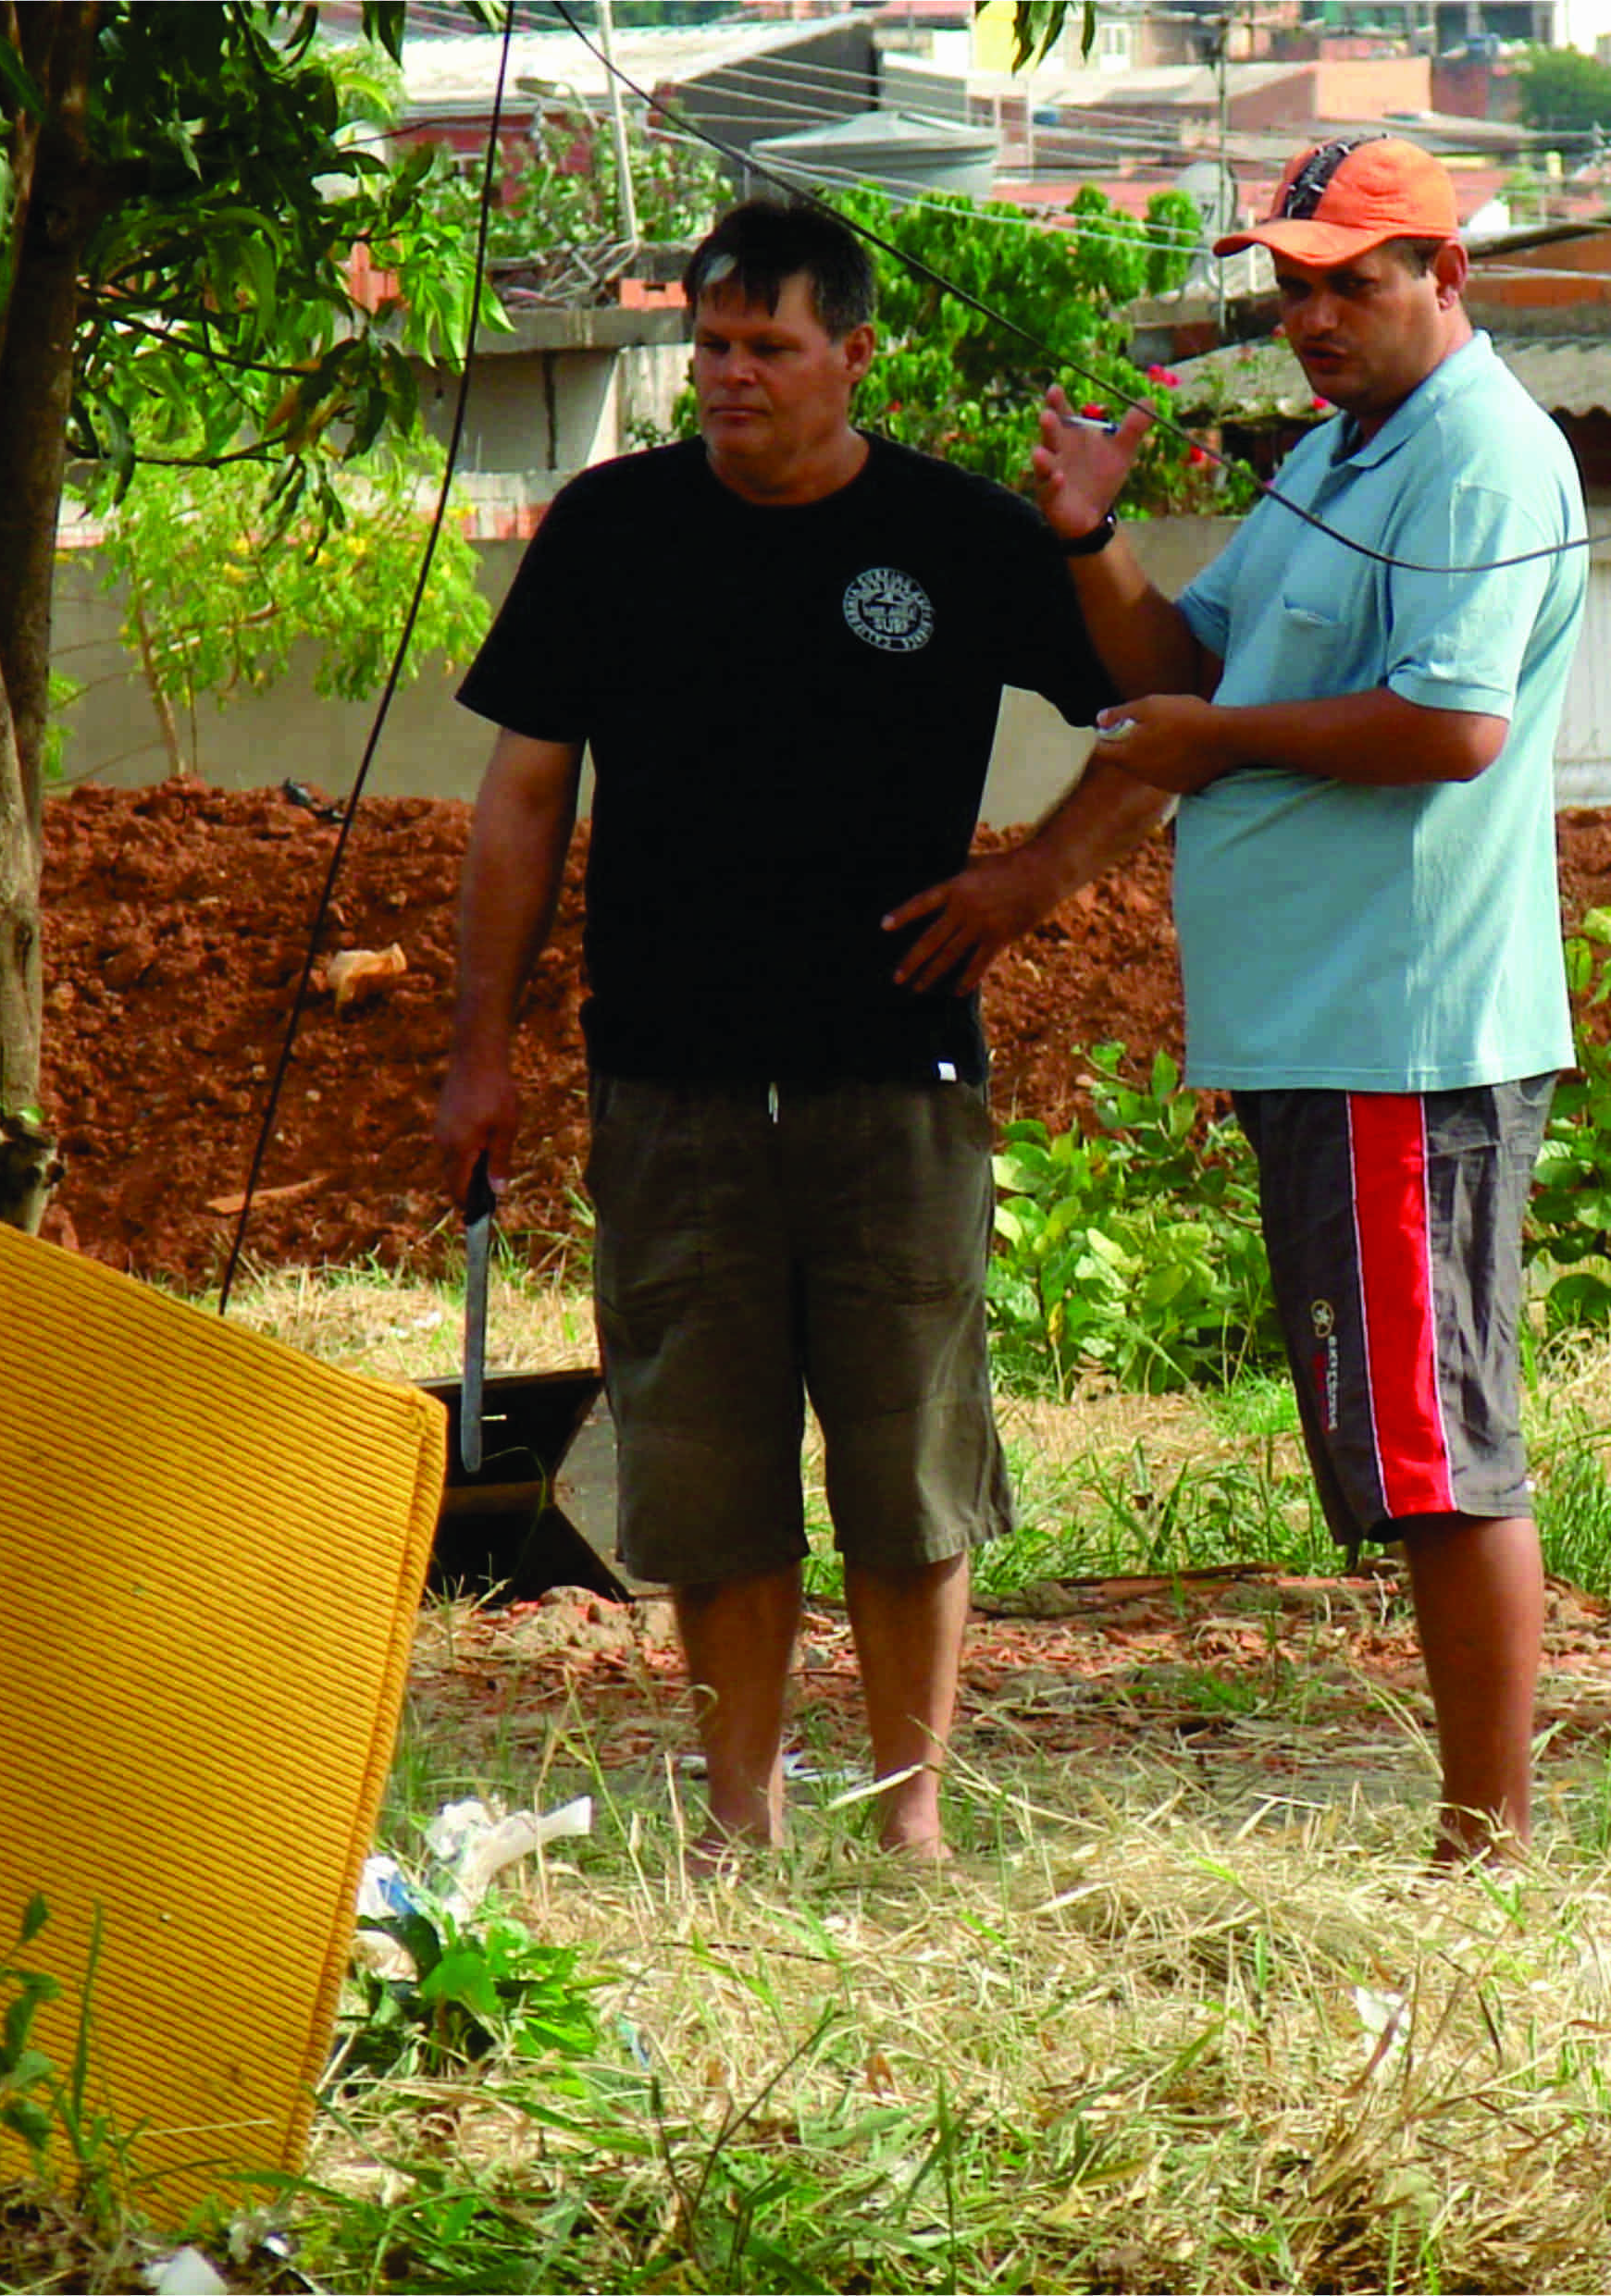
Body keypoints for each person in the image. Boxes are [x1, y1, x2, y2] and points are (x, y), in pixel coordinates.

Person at [433, 199, 1162, 1866]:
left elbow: (1157, 705)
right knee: (707, 1456)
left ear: (854, 356)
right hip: (667, 1075)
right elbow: (521, 798)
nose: (732, 375)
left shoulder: (962, 536)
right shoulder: (610, 530)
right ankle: (740, 1814)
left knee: (907, 1449)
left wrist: (1033, 877)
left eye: (768, 346)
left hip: (891, 1071)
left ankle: (911, 1811)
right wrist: (483, 1043)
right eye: (711, 345)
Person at [1030, 134, 1585, 1862]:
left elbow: (1448, 727)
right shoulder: (1342, 457)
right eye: (1293, 284)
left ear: (1447, 275)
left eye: (1355, 279)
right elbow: (1178, 670)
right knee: (1412, 1433)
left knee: (1436, 1444)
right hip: (1324, 1016)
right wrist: (1089, 535)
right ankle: (1473, 1827)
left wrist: (1217, 746)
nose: (1315, 315)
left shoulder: (1479, 455)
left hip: (1403, 1021)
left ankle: (1484, 1840)